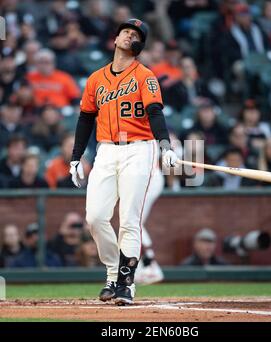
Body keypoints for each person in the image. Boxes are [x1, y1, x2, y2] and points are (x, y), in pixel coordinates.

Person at [69, 19, 178, 305]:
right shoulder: (96, 78)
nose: (130, 35)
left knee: (129, 218)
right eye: (126, 31)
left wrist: (164, 144)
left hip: (139, 149)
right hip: (106, 150)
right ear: (115, 39)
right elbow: (85, 119)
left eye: (136, 35)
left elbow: (155, 111)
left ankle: (126, 284)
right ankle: (112, 273)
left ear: (139, 45)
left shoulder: (145, 76)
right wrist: (75, 157)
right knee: (95, 217)